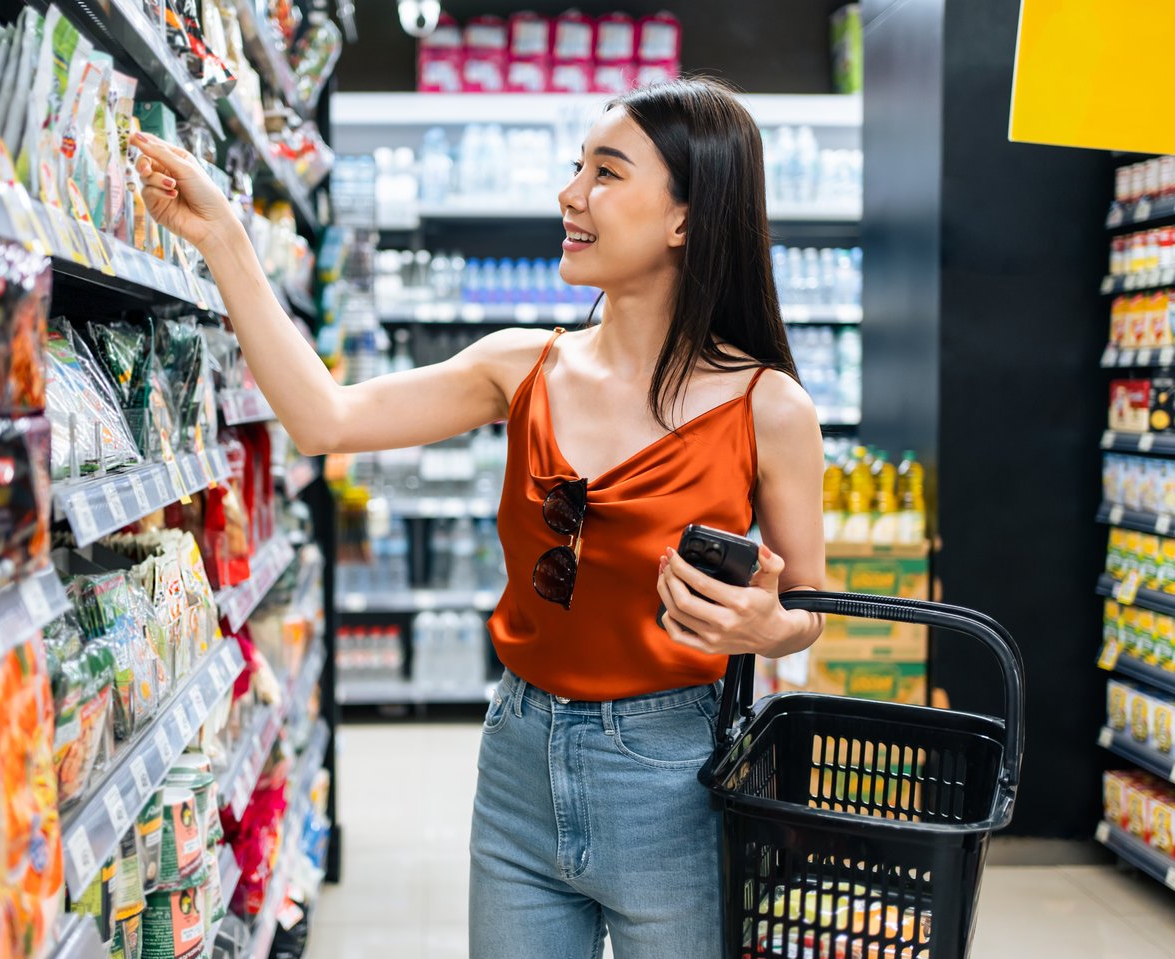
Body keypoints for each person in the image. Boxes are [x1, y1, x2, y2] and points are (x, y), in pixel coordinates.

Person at [132, 75, 825, 959]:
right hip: (519, 761)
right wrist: (225, 240)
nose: (570, 193)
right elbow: (325, 420)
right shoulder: (519, 366)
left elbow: (810, 604)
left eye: (607, 173)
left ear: (687, 217)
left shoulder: (769, 407)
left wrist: (770, 624)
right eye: (578, 167)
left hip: (675, 775)